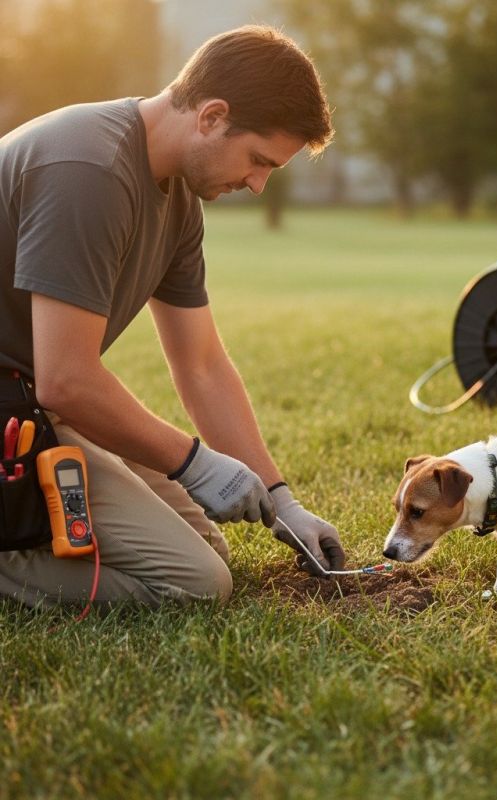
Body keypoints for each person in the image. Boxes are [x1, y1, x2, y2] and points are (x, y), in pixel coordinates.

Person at [0, 24, 346, 610]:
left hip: (30, 401)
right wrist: (194, 462)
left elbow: (203, 365)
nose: (259, 185)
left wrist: (280, 499)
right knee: (194, 581)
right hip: (23, 408)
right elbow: (68, 378)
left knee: (204, 544)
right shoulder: (91, 169)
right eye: (258, 160)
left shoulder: (179, 196)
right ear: (212, 116)